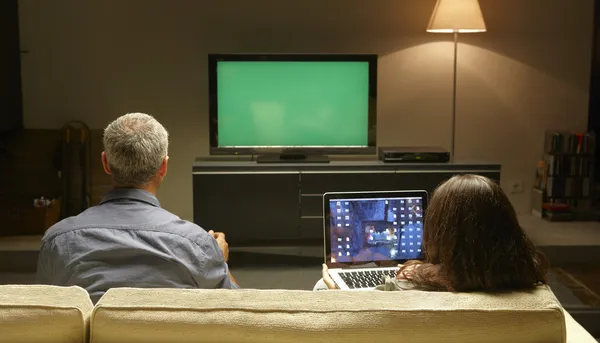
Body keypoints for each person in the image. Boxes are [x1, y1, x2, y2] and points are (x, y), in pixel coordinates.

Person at [38, 113, 238, 302]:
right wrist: (220, 261)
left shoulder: (57, 241)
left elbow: (51, 314)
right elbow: (240, 309)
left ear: (105, 163)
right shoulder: (197, 244)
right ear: (163, 167)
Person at [318, 174, 548, 291]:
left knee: (322, 285)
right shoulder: (530, 282)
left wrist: (334, 292)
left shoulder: (412, 288)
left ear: (440, 233)